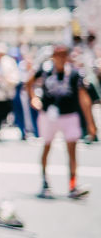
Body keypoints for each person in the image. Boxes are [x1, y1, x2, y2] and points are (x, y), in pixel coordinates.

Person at [27, 43, 95, 199]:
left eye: (64, 54)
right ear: (53, 56)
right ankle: (45, 183)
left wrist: (91, 123)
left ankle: (72, 185)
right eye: (58, 54)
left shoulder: (74, 74)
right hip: (48, 115)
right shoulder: (45, 71)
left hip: (69, 115)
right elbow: (28, 82)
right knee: (47, 147)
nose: (61, 58)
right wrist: (34, 98)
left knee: (72, 150)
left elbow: (84, 98)